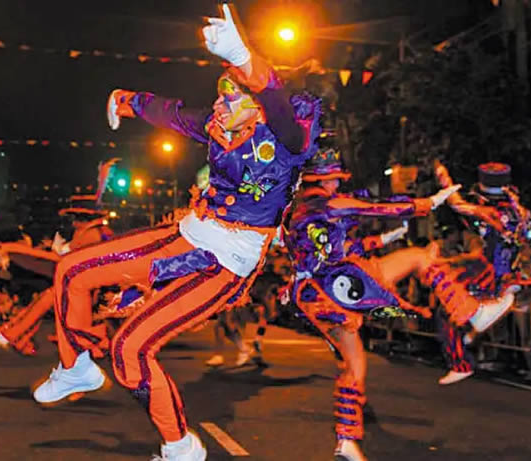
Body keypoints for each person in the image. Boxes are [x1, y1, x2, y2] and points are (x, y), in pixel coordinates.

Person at [32, 5, 322, 459]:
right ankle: (77, 366)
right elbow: (171, 113)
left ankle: (180, 446)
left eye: (230, 99)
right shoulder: (216, 127)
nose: (219, 106)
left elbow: (275, 97)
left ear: (255, 108)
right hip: (188, 234)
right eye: (219, 97)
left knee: (129, 350)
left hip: (226, 264)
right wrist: (126, 100)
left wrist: (243, 57)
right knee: (71, 270)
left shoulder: (286, 141)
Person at [285, 147, 462, 461]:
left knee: (417, 258)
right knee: (355, 365)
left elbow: (344, 248)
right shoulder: (330, 205)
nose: (337, 184)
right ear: (321, 180)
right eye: (333, 179)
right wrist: (430, 202)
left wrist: (386, 240)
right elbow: (378, 208)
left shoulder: (300, 212)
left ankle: (348, 434)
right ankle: (346, 438)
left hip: (323, 289)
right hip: (333, 291)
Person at [432, 160, 531, 384]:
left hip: (488, 271)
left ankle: (460, 362)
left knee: (446, 310)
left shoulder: (486, 211)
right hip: (512, 270)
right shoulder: (521, 211)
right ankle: (480, 323)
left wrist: (444, 177)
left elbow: (456, 204)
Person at [0, 194, 116, 355]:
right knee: (46, 298)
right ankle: (15, 337)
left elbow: (65, 260)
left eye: (76, 217)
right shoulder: (88, 232)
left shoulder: (91, 235)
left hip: (94, 291)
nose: (73, 222)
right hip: (83, 288)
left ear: (85, 218)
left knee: (49, 297)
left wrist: (19, 250)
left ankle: (11, 335)